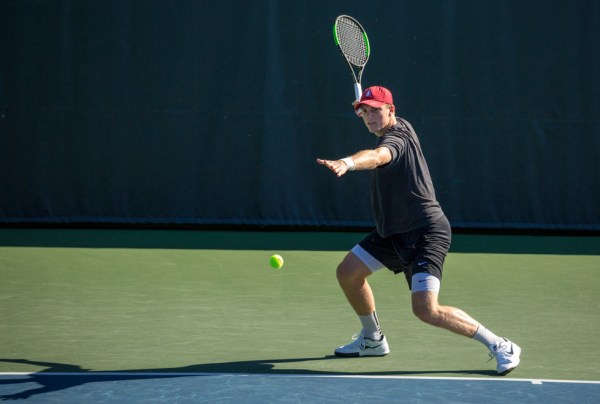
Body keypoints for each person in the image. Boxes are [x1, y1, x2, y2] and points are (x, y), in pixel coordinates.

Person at [316, 86, 521, 375]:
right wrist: (367, 110)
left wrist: (347, 163)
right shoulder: (398, 126)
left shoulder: (397, 137)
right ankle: (372, 340)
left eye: (377, 110)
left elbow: (377, 156)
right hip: (393, 233)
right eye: (365, 111)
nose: (371, 116)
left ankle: (501, 345)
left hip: (425, 231)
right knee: (348, 272)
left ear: (392, 110)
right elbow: (378, 140)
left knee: (426, 310)